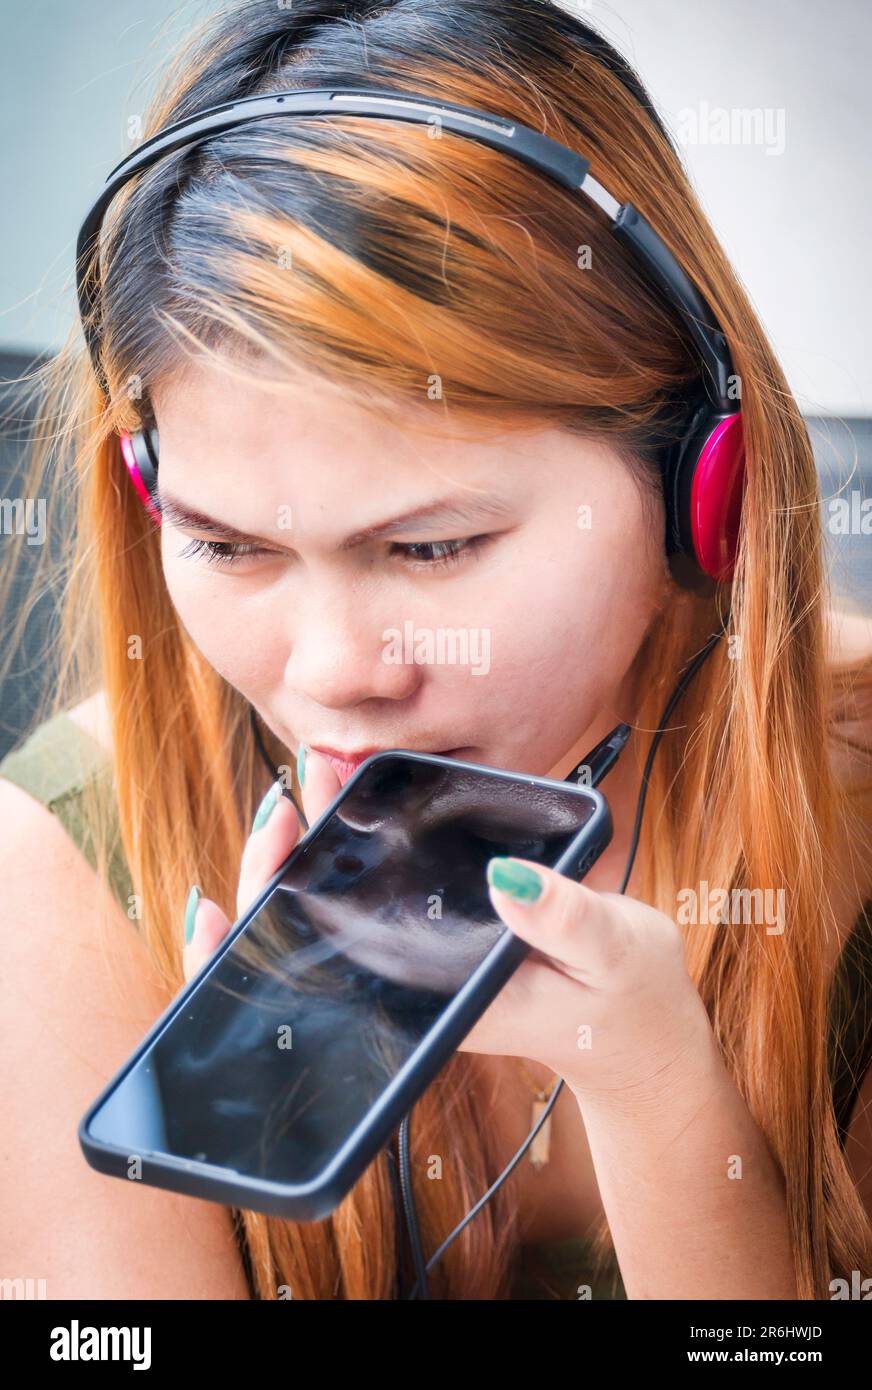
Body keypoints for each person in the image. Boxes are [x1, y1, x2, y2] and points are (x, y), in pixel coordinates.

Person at [2, 0, 871, 1301]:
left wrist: (657, 1099)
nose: (335, 670)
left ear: (705, 492)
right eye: (232, 547)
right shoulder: (55, 866)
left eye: (430, 550)